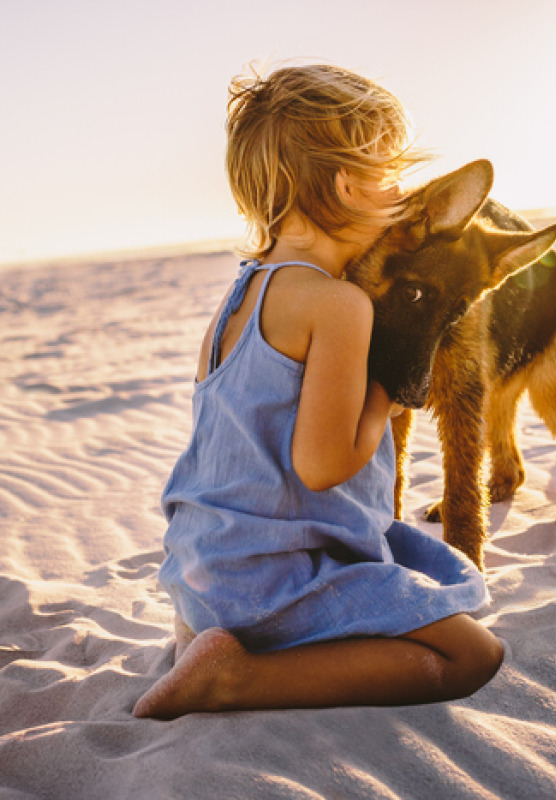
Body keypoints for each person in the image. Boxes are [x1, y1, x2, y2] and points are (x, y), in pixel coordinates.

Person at [133, 63, 503, 720]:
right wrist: (386, 395)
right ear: (347, 184)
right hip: (264, 583)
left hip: (201, 572)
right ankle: (235, 680)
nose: (400, 194)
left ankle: (215, 640)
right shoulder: (336, 306)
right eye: (391, 175)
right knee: (472, 655)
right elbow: (322, 464)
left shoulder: (240, 296)